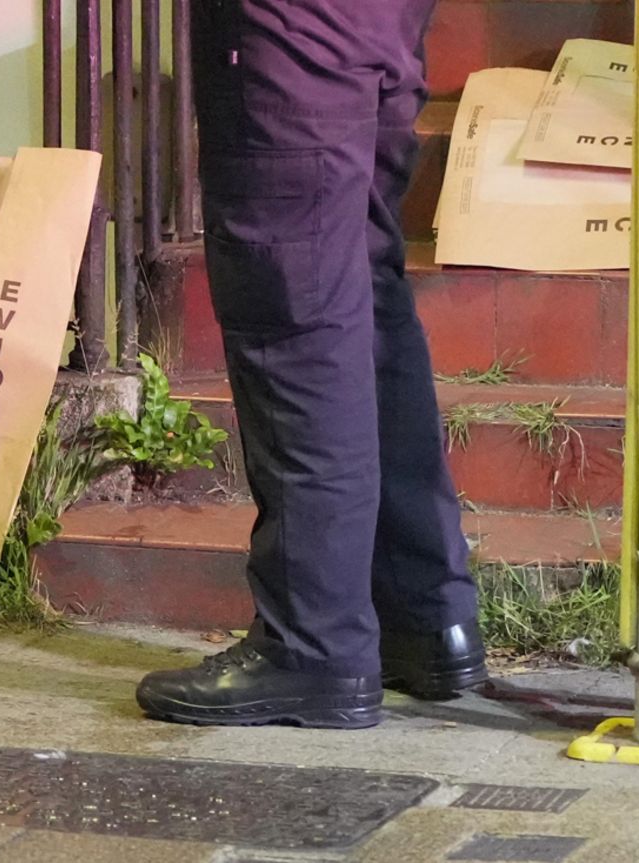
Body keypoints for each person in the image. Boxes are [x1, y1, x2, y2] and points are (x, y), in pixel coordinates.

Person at [135, 0, 485, 729]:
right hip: (371, 22)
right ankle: (426, 616)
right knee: (362, 279)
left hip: (292, 28)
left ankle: (313, 645)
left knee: (293, 307)